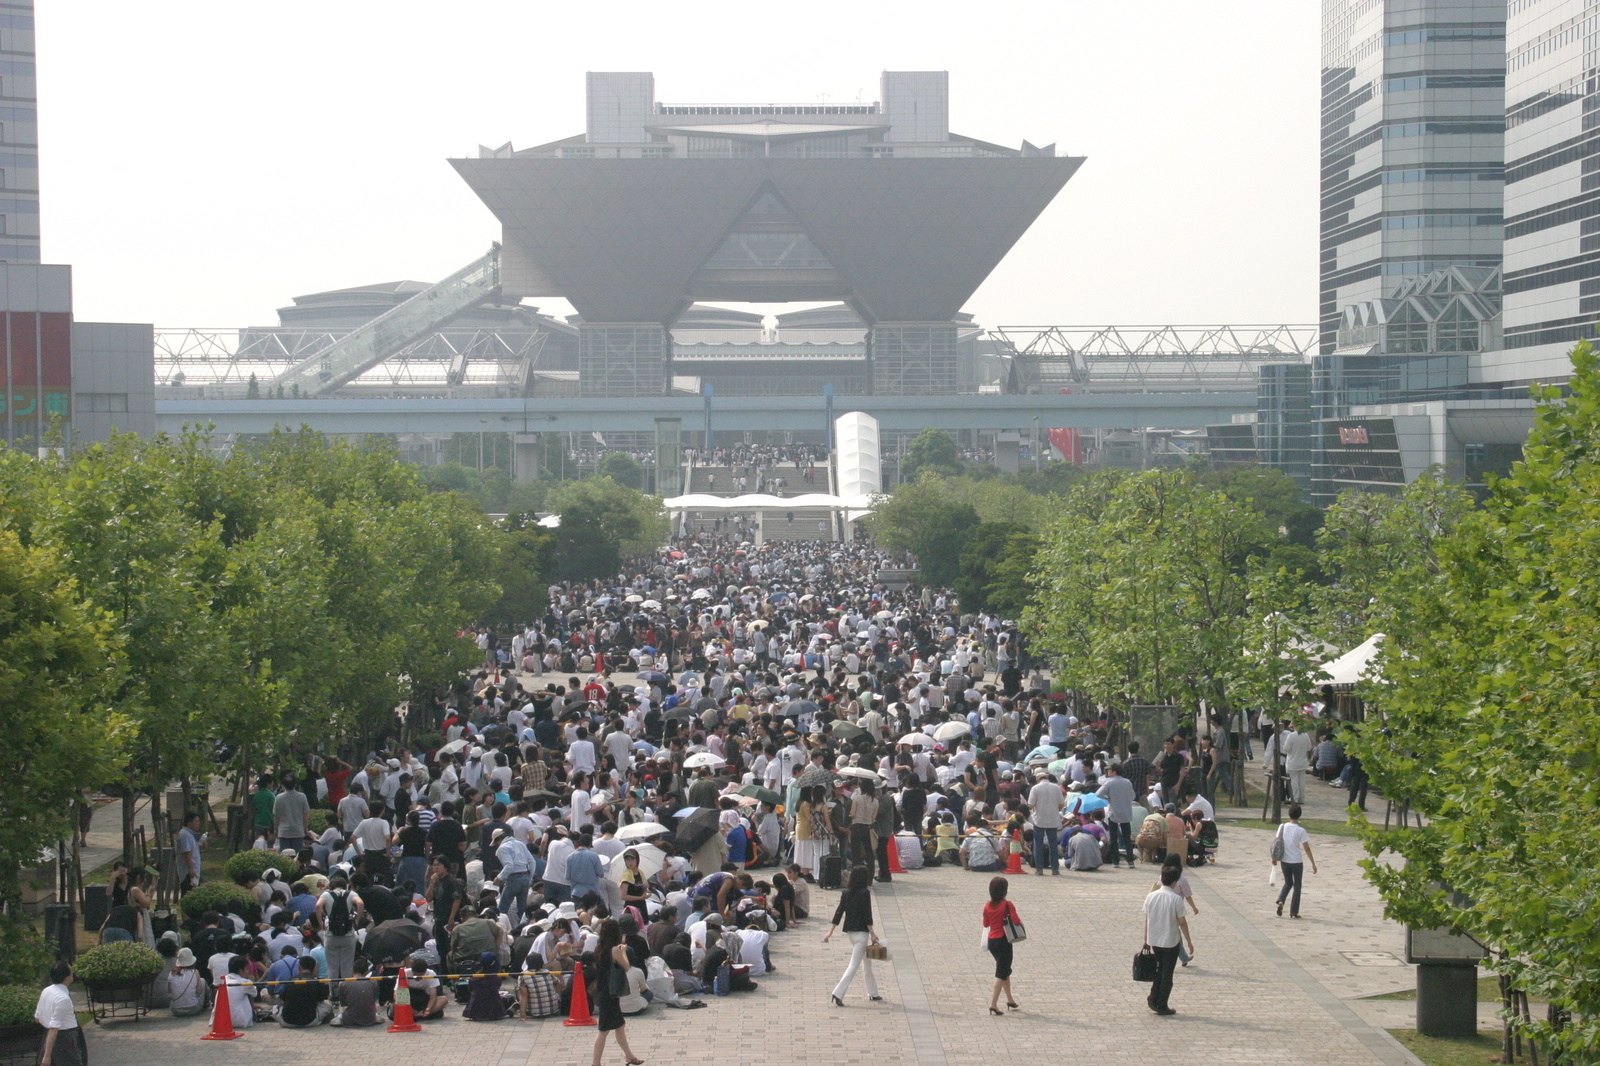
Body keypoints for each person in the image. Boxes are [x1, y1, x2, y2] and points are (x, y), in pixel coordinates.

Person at [822, 864, 882, 1006]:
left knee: (867, 963)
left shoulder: (846, 893)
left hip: (850, 933)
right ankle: (838, 992)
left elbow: (839, 912)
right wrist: (872, 933)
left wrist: (830, 932)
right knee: (854, 965)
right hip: (862, 934)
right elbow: (868, 915)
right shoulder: (865, 893)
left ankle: (873, 992)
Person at [590, 918, 644, 1066]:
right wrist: (624, 952)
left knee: (619, 1026)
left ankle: (630, 1056)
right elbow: (626, 966)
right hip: (610, 993)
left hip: (603, 990)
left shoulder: (598, 948)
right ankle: (596, 1063)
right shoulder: (614, 950)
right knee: (604, 1030)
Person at [1141, 865, 1193, 1016]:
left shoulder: (1151, 896)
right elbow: (1182, 922)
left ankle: (1153, 996)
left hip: (1154, 939)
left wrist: (1146, 939)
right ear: (1175, 883)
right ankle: (1162, 1004)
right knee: (1167, 973)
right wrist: (1189, 941)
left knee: (1159, 970)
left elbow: (1147, 919)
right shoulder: (1176, 899)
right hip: (1170, 940)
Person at [981, 876, 1021, 1016]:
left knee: (1004, 969)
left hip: (992, 941)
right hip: (1004, 940)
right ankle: (993, 1004)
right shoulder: (1007, 905)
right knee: (1000, 972)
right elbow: (1015, 921)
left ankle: (1010, 999)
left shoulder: (987, 905)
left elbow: (986, 924)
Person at [34, 961, 85, 1066]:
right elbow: (54, 1029)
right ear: (66, 977)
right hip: (65, 1038)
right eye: (71, 971)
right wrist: (47, 1055)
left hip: (48, 1036)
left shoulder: (46, 991)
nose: (73, 973)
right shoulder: (63, 998)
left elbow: (38, 1018)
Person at [1273, 804, 1318, 918]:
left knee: (1288, 883)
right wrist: (1313, 863)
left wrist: (1274, 858)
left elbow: (1277, 843)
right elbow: (1306, 848)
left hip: (1284, 860)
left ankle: (1281, 900)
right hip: (1296, 862)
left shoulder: (1282, 827)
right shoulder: (1300, 830)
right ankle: (1293, 911)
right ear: (1299, 815)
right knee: (1297, 886)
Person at [1026, 770, 1064, 875]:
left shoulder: (1035, 788)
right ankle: (1055, 869)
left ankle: (1039, 869)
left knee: (1038, 844)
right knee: (1053, 845)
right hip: (1053, 819)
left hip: (1039, 819)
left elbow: (1031, 804)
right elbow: (1061, 804)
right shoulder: (1056, 787)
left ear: (1038, 779)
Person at [277, 956, 333, 1027]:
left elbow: (282, 998)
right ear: (314, 968)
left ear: (299, 967)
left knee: (276, 1007)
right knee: (328, 1004)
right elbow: (321, 999)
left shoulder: (290, 980)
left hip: (286, 1021)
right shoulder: (318, 981)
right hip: (310, 1021)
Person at [331, 956, 380, 1027]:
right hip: (369, 1018)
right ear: (367, 972)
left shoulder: (343, 983)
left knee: (336, 1018)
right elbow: (372, 1001)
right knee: (378, 1017)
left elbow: (343, 1003)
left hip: (349, 1019)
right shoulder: (373, 982)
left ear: (352, 970)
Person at [167, 948, 208, 1017]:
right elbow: (199, 991)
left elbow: (169, 991)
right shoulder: (195, 972)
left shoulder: (172, 973)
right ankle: (206, 1002)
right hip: (193, 1009)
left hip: (176, 1011)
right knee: (202, 980)